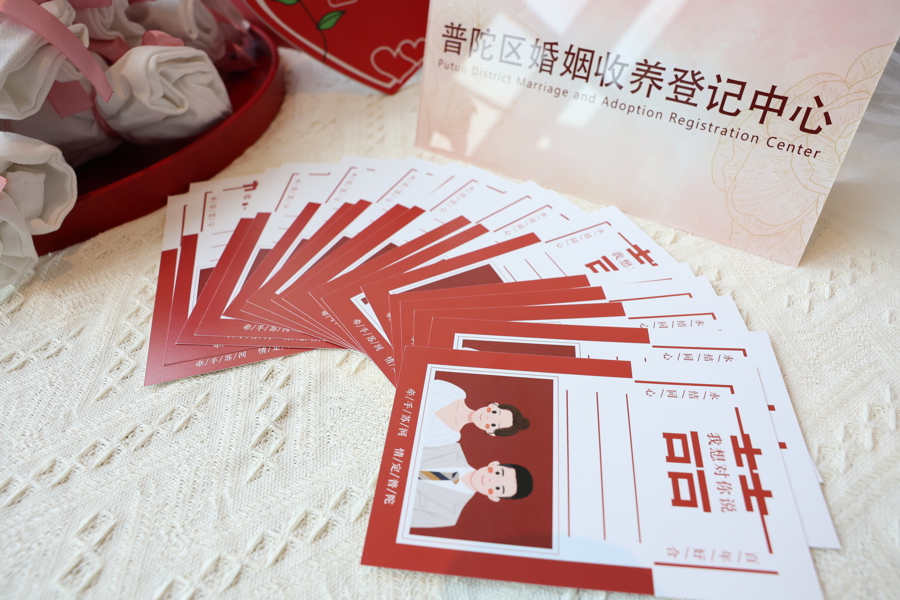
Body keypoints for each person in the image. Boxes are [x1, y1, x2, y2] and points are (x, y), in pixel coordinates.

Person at [409, 442, 533, 529]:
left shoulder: (448, 516)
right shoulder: (451, 447)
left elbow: (400, 518)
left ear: (493, 497)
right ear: (493, 464)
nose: (490, 480)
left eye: (498, 488)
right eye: (497, 473)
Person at [421, 379, 530, 447]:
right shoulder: (455, 393)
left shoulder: (450, 436)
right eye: (494, 413)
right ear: (493, 405)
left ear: (491, 432)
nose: (487, 418)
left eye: (493, 424)